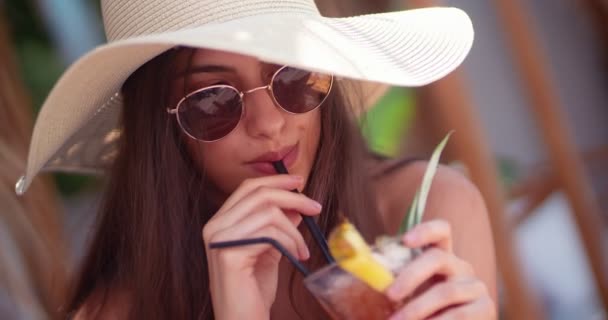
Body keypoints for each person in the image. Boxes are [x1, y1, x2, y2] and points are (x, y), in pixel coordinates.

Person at [17, 0, 497, 319]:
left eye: (292, 77)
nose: (268, 124)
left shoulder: (427, 210)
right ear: (163, 133)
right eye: (212, 100)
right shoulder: (120, 310)